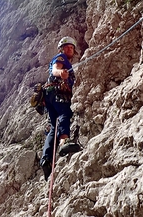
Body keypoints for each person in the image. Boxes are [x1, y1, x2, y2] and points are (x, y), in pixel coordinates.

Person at [40, 36, 81, 181]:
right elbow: (55, 70)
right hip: (58, 93)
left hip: (49, 97)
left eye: (72, 47)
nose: (70, 49)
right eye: (67, 47)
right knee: (64, 113)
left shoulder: (67, 63)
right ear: (61, 49)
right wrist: (61, 73)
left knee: (53, 127)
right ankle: (64, 142)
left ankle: (46, 160)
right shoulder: (61, 58)